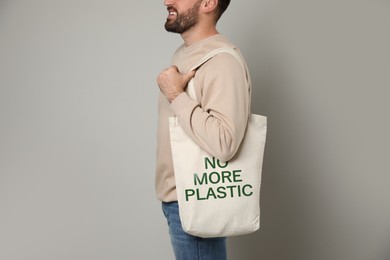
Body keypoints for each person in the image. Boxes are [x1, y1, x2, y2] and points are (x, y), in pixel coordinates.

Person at [155, 0, 251, 259]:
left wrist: (176, 94)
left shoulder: (222, 61)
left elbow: (225, 142)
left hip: (194, 200)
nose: (167, 1)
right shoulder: (184, 53)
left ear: (208, 3)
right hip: (178, 201)